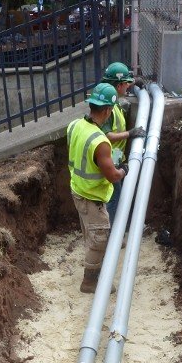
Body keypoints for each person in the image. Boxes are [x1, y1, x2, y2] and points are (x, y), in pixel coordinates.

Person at [67, 83, 128, 293]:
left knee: (90, 234)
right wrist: (123, 171)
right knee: (99, 240)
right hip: (92, 197)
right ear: (108, 110)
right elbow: (112, 176)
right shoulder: (100, 142)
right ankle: (90, 282)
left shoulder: (74, 125)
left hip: (77, 191)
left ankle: (95, 274)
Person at [100, 61, 147, 223]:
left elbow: (117, 83)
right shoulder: (108, 107)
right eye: (126, 84)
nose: (128, 87)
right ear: (119, 85)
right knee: (114, 198)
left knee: (116, 195)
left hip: (115, 158)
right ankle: (111, 234)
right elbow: (107, 136)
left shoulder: (108, 94)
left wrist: (134, 81)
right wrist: (130, 133)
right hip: (109, 160)